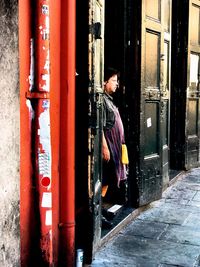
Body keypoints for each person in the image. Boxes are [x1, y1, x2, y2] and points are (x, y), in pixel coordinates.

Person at [101, 67, 128, 229]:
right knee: (106, 177)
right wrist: (105, 147)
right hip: (108, 145)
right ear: (104, 82)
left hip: (115, 145)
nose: (117, 84)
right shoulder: (101, 100)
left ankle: (100, 208)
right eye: (113, 80)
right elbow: (101, 126)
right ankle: (97, 212)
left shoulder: (108, 98)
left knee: (109, 178)